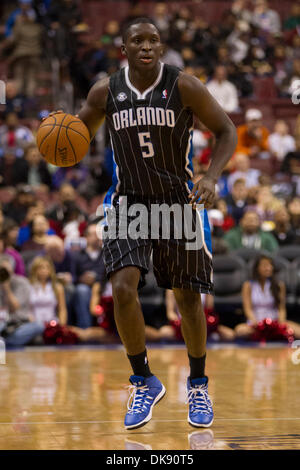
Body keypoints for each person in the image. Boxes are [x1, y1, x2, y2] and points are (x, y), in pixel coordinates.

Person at [51, 18, 237, 430]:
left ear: (161, 46)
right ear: (125, 49)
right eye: (138, 40)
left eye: (154, 40)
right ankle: (143, 380)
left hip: (178, 202)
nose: (147, 46)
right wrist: (58, 140)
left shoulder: (184, 85)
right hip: (129, 203)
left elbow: (226, 131)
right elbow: (76, 140)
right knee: (121, 287)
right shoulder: (105, 91)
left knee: (188, 300)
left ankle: (198, 384)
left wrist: (209, 177)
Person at [235, 255, 300, 339]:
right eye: (265, 265)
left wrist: (281, 323)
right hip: (256, 323)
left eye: (270, 265)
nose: (269, 268)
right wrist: (256, 323)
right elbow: (248, 309)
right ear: (257, 268)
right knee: (239, 331)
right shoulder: (248, 285)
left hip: (275, 322)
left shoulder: (279, 285)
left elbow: (281, 308)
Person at [0, 254, 44, 346]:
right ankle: (7, 341)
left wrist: (6, 288)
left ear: (12, 269)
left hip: (18, 324)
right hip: (2, 323)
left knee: (39, 325)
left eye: (6, 270)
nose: (3, 273)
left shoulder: (22, 283)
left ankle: (5, 341)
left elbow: (14, 307)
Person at [29, 256, 67, 325]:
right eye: (40, 268)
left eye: (47, 268)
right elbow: (25, 310)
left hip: (52, 323)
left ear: (51, 270)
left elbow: (62, 309)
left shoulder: (57, 287)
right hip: (34, 324)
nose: (43, 271)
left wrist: (62, 326)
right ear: (35, 270)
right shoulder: (28, 286)